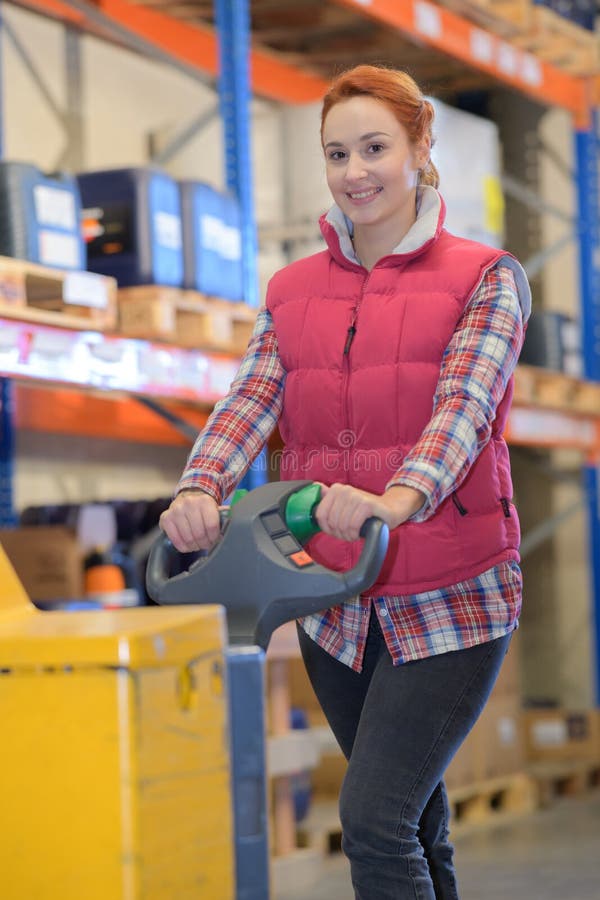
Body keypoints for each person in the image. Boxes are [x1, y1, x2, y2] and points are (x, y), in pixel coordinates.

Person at [160, 64, 531, 900]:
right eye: (338, 154)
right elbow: (255, 393)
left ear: (420, 144)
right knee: (415, 821)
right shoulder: (292, 289)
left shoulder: (486, 276)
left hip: (452, 592)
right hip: (332, 598)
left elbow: (463, 410)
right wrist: (200, 487)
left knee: (371, 818)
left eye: (375, 148)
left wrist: (396, 502)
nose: (355, 171)